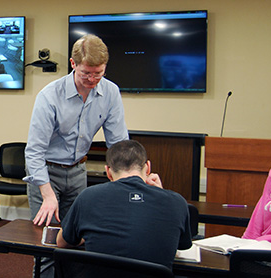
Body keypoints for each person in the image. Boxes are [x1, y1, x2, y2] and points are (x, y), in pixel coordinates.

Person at [23, 34, 128, 277]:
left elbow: (119, 144)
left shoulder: (110, 92)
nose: (92, 80)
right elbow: (34, 151)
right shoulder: (49, 96)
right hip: (46, 174)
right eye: (86, 73)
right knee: (47, 245)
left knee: (78, 242)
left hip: (78, 171)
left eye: (98, 73)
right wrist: (47, 194)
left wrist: (131, 179)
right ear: (73, 64)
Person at [56, 140, 192, 275]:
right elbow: (181, 245)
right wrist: (162, 194)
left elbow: (62, 242)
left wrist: (86, 236)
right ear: (148, 168)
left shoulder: (88, 197)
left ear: (108, 172)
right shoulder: (177, 202)